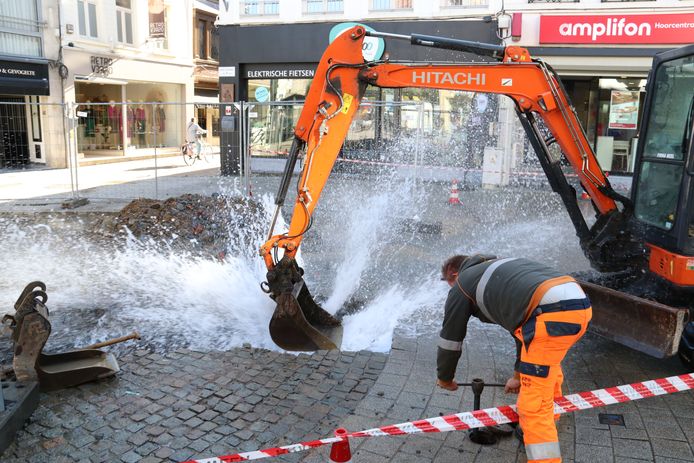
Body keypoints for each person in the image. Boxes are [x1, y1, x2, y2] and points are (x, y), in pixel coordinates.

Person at [437, 254, 592, 463]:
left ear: (454, 274)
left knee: (533, 406)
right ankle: (550, 418)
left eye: (449, 284)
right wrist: (519, 375)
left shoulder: (463, 283)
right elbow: (522, 330)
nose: (451, 289)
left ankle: (543, 453)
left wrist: (445, 378)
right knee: (547, 368)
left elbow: (450, 339)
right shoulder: (499, 272)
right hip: (579, 306)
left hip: (550, 314)